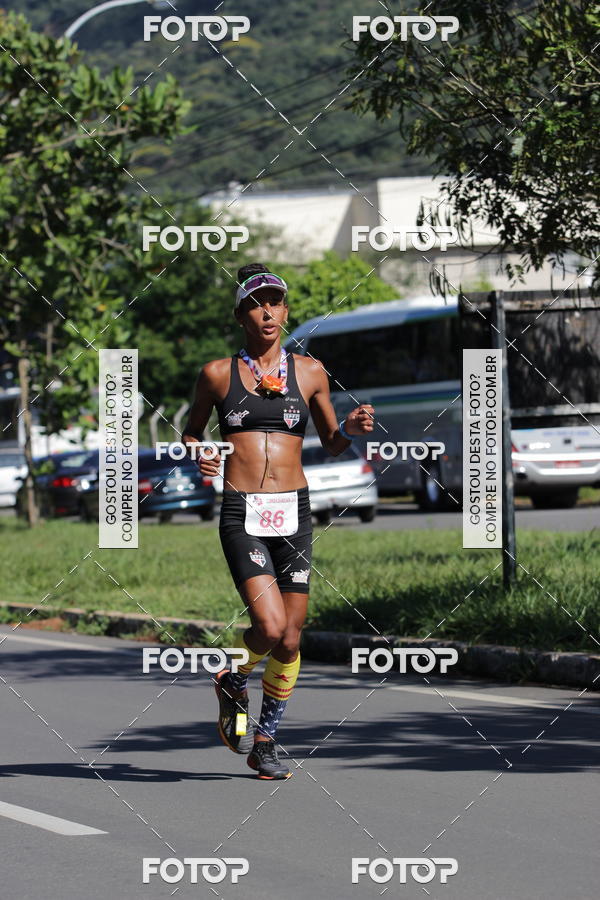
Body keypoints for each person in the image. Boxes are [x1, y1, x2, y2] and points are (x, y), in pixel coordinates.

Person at [182, 262, 375, 780]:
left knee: (290, 638)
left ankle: (264, 742)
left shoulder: (310, 372)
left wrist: (350, 428)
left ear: (286, 312)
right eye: (255, 304)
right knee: (268, 626)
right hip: (243, 510)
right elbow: (192, 432)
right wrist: (201, 452)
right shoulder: (217, 374)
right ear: (240, 316)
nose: (267, 312)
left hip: (295, 512)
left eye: (275, 302)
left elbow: (332, 443)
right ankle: (233, 676)